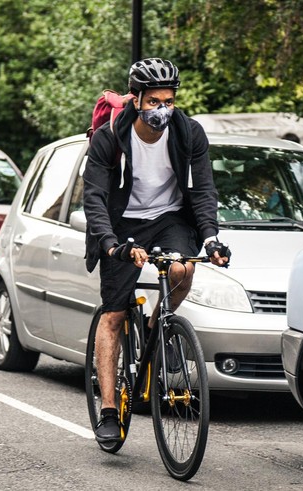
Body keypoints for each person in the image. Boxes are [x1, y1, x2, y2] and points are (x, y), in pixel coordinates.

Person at [83, 58, 231, 443]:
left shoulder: (189, 133)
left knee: (183, 270)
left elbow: (202, 190)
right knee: (113, 314)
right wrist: (111, 244)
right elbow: (95, 197)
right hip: (121, 221)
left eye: (169, 100)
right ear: (136, 100)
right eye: (154, 102)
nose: (162, 109)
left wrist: (211, 236)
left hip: (169, 217)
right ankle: (110, 410)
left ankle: (158, 329)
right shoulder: (110, 138)